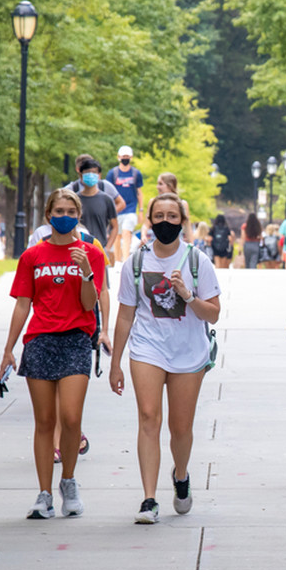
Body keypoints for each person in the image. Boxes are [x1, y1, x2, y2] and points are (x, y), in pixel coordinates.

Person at [111, 193, 222, 524]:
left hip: (188, 352)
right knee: (148, 417)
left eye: (172, 217)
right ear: (149, 220)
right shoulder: (136, 262)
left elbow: (213, 314)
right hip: (148, 348)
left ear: (183, 222)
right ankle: (148, 499)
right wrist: (115, 362)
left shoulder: (196, 261)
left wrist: (187, 294)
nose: (165, 222)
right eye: (159, 216)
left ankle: (182, 474)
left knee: (180, 428)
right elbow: (126, 316)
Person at [1, 189, 107, 519]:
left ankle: (69, 481)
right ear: (48, 215)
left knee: (72, 418)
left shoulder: (90, 253)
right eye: (58, 210)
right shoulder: (32, 256)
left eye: (70, 210)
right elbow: (22, 304)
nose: (64, 215)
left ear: (79, 215)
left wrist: (86, 272)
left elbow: (90, 303)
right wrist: (9, 348)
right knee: (44, 421)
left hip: (76, 338)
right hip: (40, 340)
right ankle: (44, 493)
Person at [68, 158, 120, 265]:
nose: (91, 175)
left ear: (99, 175)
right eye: (87, 173)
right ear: (81, 175)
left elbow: (115, 226)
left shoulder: (106, 199)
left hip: (100, 249)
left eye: (94, 172)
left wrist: (108, 247)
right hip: (78, 251)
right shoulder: (74, 200)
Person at [106, 145, 144, 261]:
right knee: (117, 235)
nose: (125, 158)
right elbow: (108, 192)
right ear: (118, 157)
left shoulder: (136, 173)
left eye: (127, 156)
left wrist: (141, 210)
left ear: (131, 157)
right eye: (123, 156)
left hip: (131, 208)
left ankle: (126, 260)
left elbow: (139, 192)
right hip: (117, 209)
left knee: (127, 233)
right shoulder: (112, 174)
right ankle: (118, 261)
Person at [155, 172, 192, 242]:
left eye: (160, 184)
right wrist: (143, 235)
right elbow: (146, 225)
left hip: (177, 244)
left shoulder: (183, 204)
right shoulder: (154, 203)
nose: (157, 187)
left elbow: (188, 227)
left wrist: (191, 246)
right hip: (158, 243)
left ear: (170, 186)